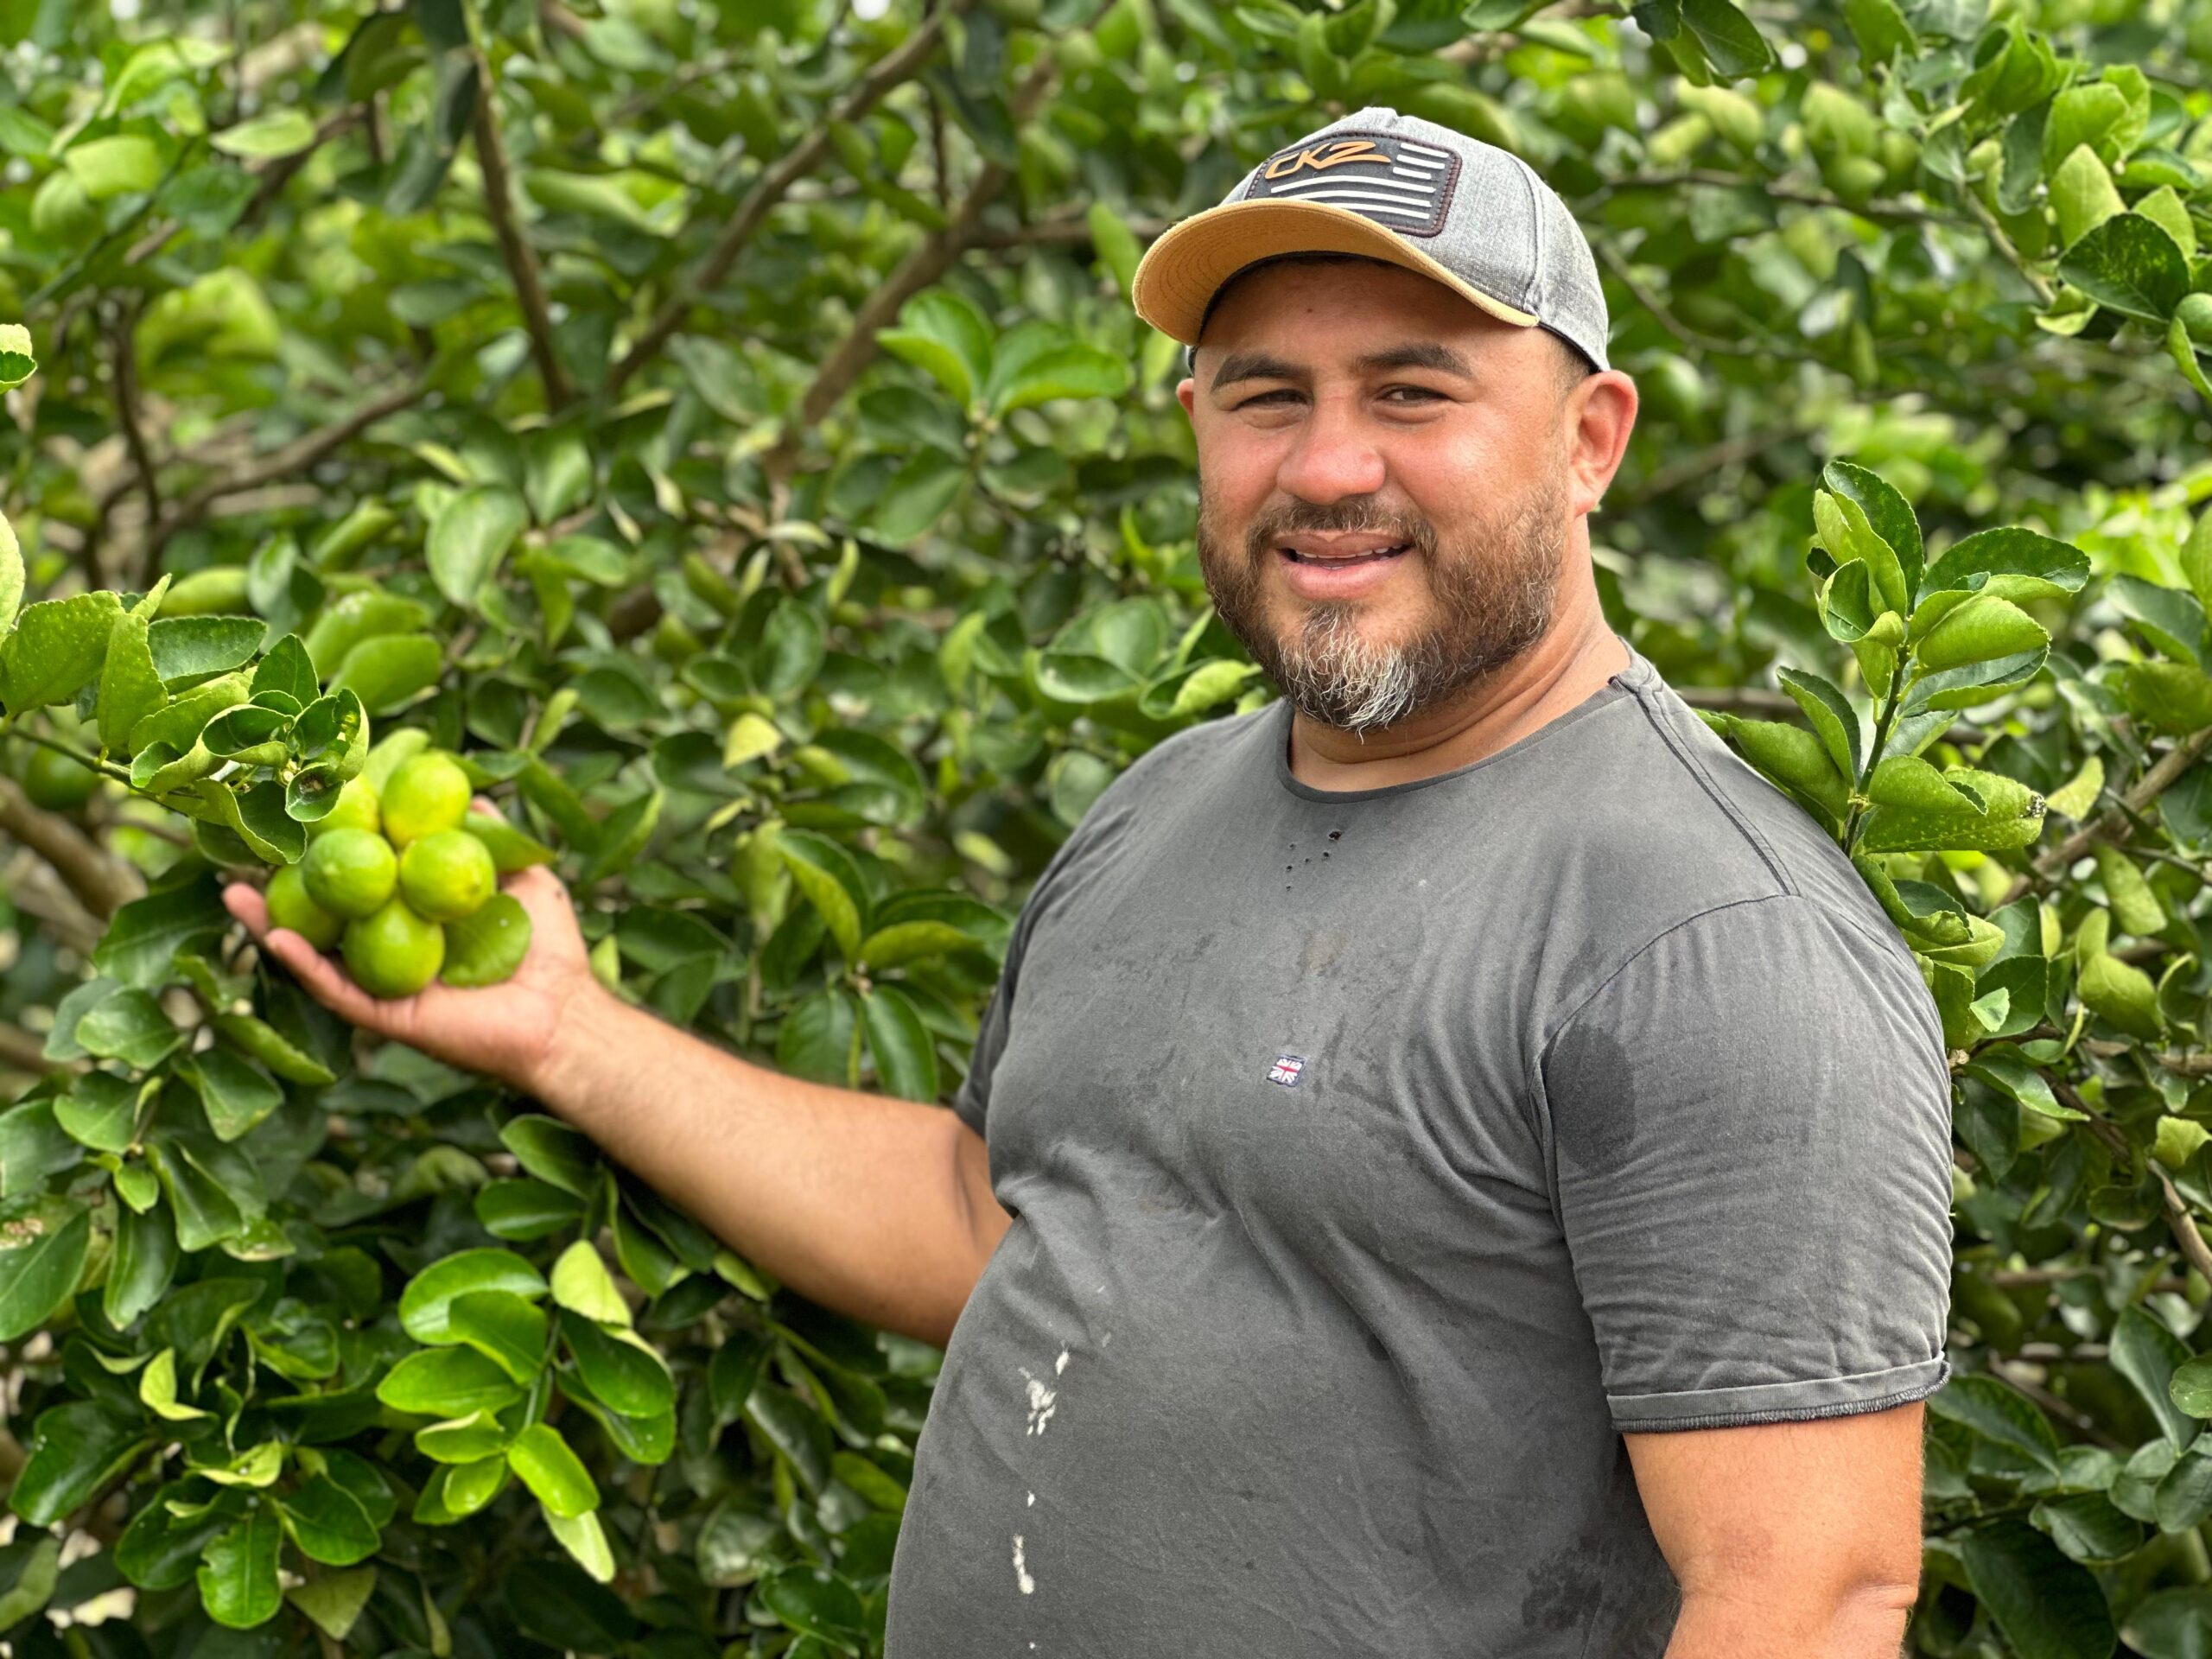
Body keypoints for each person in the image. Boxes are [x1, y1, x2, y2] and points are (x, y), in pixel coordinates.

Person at [226, 105, 1954, 1658]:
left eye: (1413, 391)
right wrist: (568, 1035)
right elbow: (991, 1218)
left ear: (1587, 439)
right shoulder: (1160, 810)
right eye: (1262, 393)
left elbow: (1799, 1597)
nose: (1327, 465)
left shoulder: (1707, 934)